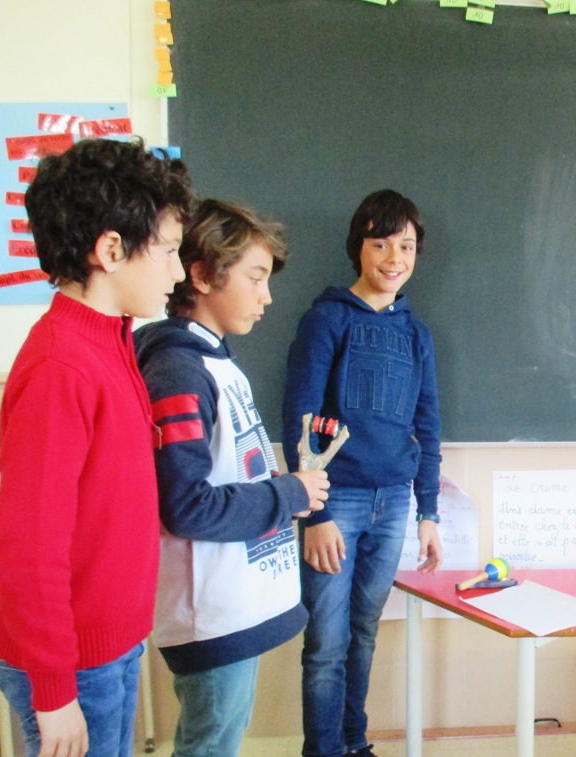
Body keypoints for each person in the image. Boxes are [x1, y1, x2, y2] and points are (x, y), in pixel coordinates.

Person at [0, 137, 196, 757]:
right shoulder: (61, 366)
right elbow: (28, 545)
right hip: (68, 662)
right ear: (110, 250)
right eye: (169, 251)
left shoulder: (112, 340)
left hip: (106, 646)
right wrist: (53, 693)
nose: (179, 272)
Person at [134, 199, 331, 755]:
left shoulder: (215, 360)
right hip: (211, 612)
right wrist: (287, 493)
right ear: (201, 275)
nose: (267, 297)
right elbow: (187, 505)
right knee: (211, 743)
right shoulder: (179, 369)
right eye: (255, 278)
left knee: (221, 735)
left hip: (234, 603)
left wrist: (287, 493)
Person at [282, 189, 444, 757]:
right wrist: (315, 514)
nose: (395, 258)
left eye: (407, 246)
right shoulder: (327, 319)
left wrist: (428, 512)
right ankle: (323, 750)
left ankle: (354, 742)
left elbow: (428, 424)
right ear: (359, 248)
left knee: (364, 633)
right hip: (337, 502)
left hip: (393, 501)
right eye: (381, 244)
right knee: (326, 644)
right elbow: (300, 418)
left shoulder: (416, 334)